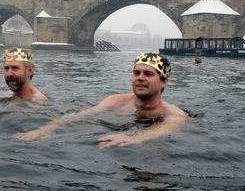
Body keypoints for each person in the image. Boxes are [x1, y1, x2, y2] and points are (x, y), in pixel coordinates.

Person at [15, 52, 187, 148]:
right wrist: (46, 129)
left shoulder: (173, 113)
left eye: (148, 74)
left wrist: (134, 139)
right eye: (136, 73)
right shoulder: (115, 101)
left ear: (164, 81)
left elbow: (162, 130)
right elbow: (80, 116)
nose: (140, 78)